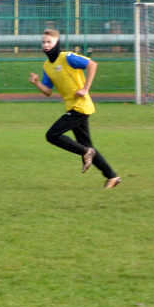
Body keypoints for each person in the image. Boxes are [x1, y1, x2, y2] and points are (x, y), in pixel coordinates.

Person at [29, 29, 121, 188]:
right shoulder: (47, 66)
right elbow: (48, 92)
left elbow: (92, 64)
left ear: (57, 42)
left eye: (49, 42)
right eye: (43, 42)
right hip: (73, 106)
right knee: (87, 145)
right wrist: (37, 83)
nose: (45, 45)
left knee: (52, 135)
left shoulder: (68, 57)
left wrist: (85, 89)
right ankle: (112, 177)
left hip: (80, 106)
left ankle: (87, 153)